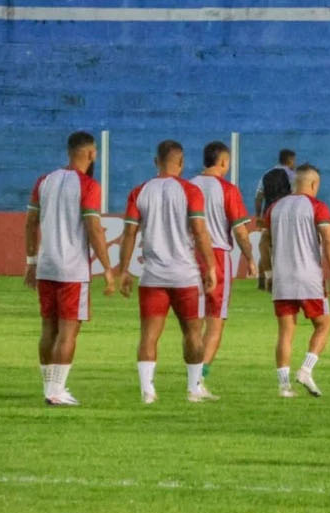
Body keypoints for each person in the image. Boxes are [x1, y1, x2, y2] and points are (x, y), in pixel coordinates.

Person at [115, 140, 218, 404]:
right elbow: (199, 231)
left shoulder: (140, 191)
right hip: (185, 275)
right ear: (181, 162)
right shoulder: (190, 191)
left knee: (149, 335)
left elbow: (129, 233)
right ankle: (194, 388)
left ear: (155, 161)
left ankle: (147, 391)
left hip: (152, 276)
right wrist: (210, 266)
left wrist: (123, 270)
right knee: (193, 332)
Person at [24, 131, 116, 406]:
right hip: (72, 269)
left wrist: (31, 262)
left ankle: (49, 388)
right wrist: (107, 268)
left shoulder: (45, 181)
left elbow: (30, 222)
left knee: (48, 329)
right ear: (91, 153)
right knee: (68, 330)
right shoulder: (88, 185)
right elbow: (93, 228)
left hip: (46, 265)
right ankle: (56, 391)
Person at [259, 164, 330, 398]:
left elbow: (264, 243)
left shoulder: (274, 208)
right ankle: (305, 370)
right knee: (324, 324)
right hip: (309, 278)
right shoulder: (317, 206)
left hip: (282, 278)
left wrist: (269, 274)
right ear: (314, 184)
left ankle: (284, 387)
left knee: (285, 332)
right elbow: (328, 240)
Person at [190, 141, 258, 388]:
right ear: (223, 162)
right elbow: (240, 231)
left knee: (194, 322)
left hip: (188, 256)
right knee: (215, 321)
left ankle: (192, 376)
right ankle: (198, 380)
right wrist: (250, 259)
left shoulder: (188, 186)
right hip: (217, 255)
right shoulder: (228, 189)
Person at [255, 148, 296, 290]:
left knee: (265, 245)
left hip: (268, 214)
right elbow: (295, 195)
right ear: (290, 160)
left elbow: (259, 196)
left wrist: (258, 215)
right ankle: (281, 278)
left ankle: (263, 278)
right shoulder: (292, 175)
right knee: (283, 246)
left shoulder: (266, 174)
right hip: (285, 215)